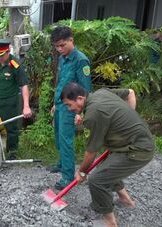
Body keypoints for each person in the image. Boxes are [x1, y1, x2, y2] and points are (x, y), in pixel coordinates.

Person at [61, 82, 155, 227]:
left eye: (69, 105)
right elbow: (130, 92)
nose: (69, 109)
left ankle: (110, 222)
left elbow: (91, 152)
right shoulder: (101, 93)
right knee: (107, 167)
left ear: (80, 99)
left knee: (97, 180)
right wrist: (128, 121)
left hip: (138, 149)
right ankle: (126, 200)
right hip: (137, 141)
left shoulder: (93, 114)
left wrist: (82, 172)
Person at [49, 26, 92, 190]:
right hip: (60, 105)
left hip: (71, 108)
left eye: (62, 45)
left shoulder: (81, 60)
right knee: (59, 137)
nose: (59, 49)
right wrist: (54, 103)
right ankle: (61, 163)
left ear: (71, 41)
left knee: (66, 141)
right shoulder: (62, 58)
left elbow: (86, 89)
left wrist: (80, 113)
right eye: (56, 46)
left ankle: (67, 176)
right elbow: (60, 82)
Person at [0, 39, 32, 160]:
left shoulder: (15, 64)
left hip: (10, 103)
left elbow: (24, 85)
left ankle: (12, 153)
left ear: (7, 51)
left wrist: (26, 106)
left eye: (1, 55)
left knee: (12, 129)